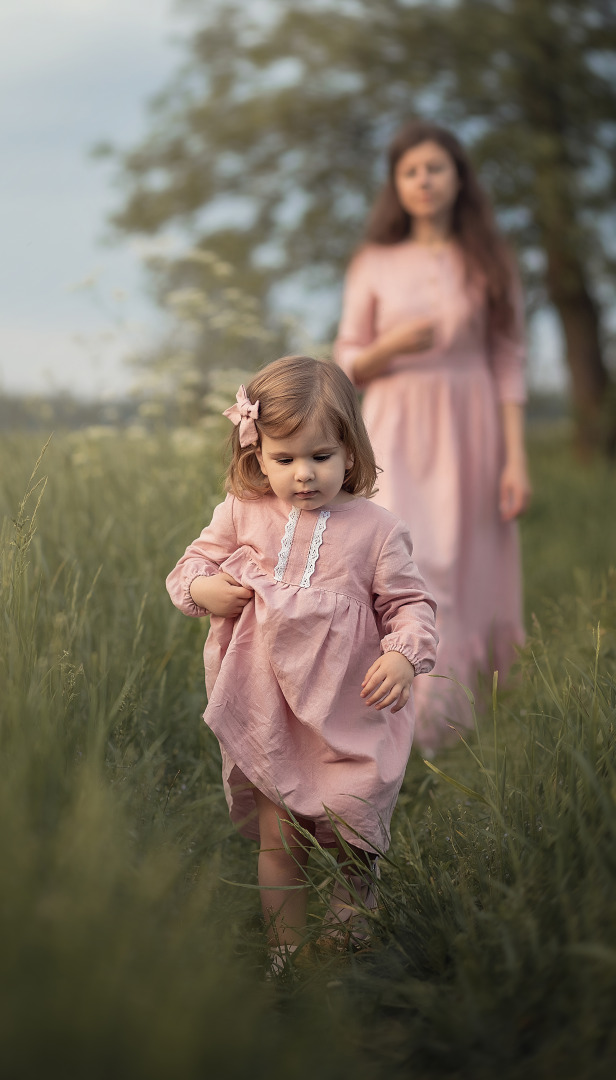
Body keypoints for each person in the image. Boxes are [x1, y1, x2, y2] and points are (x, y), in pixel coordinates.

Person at [166, 355, 437, 974]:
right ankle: (284, 957)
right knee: (278, 839)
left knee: (353, 837)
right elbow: (189, 566)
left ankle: (343, 946)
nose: (304, 475)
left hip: (350, 710)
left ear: (350, 451)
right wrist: (204, 590)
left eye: (320, 456)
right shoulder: (242, 510)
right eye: (284, 459)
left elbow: (410, 605)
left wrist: (402, 655)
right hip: (270, 710)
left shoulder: (376, 530)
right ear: (256, 453)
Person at [334, 120, 531, 753]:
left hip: (473, 427)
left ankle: (453, 730)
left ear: (458, 178)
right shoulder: (373, 261)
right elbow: (344, 364)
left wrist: (516, 458)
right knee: (403, 560)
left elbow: (508, 359)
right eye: (410, 170)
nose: (423, 180)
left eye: (435, 168)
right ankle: (384, 722)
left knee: (464, 562)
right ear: (397, 183)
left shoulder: (489, 261)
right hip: (395, 422)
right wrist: (390, 346)